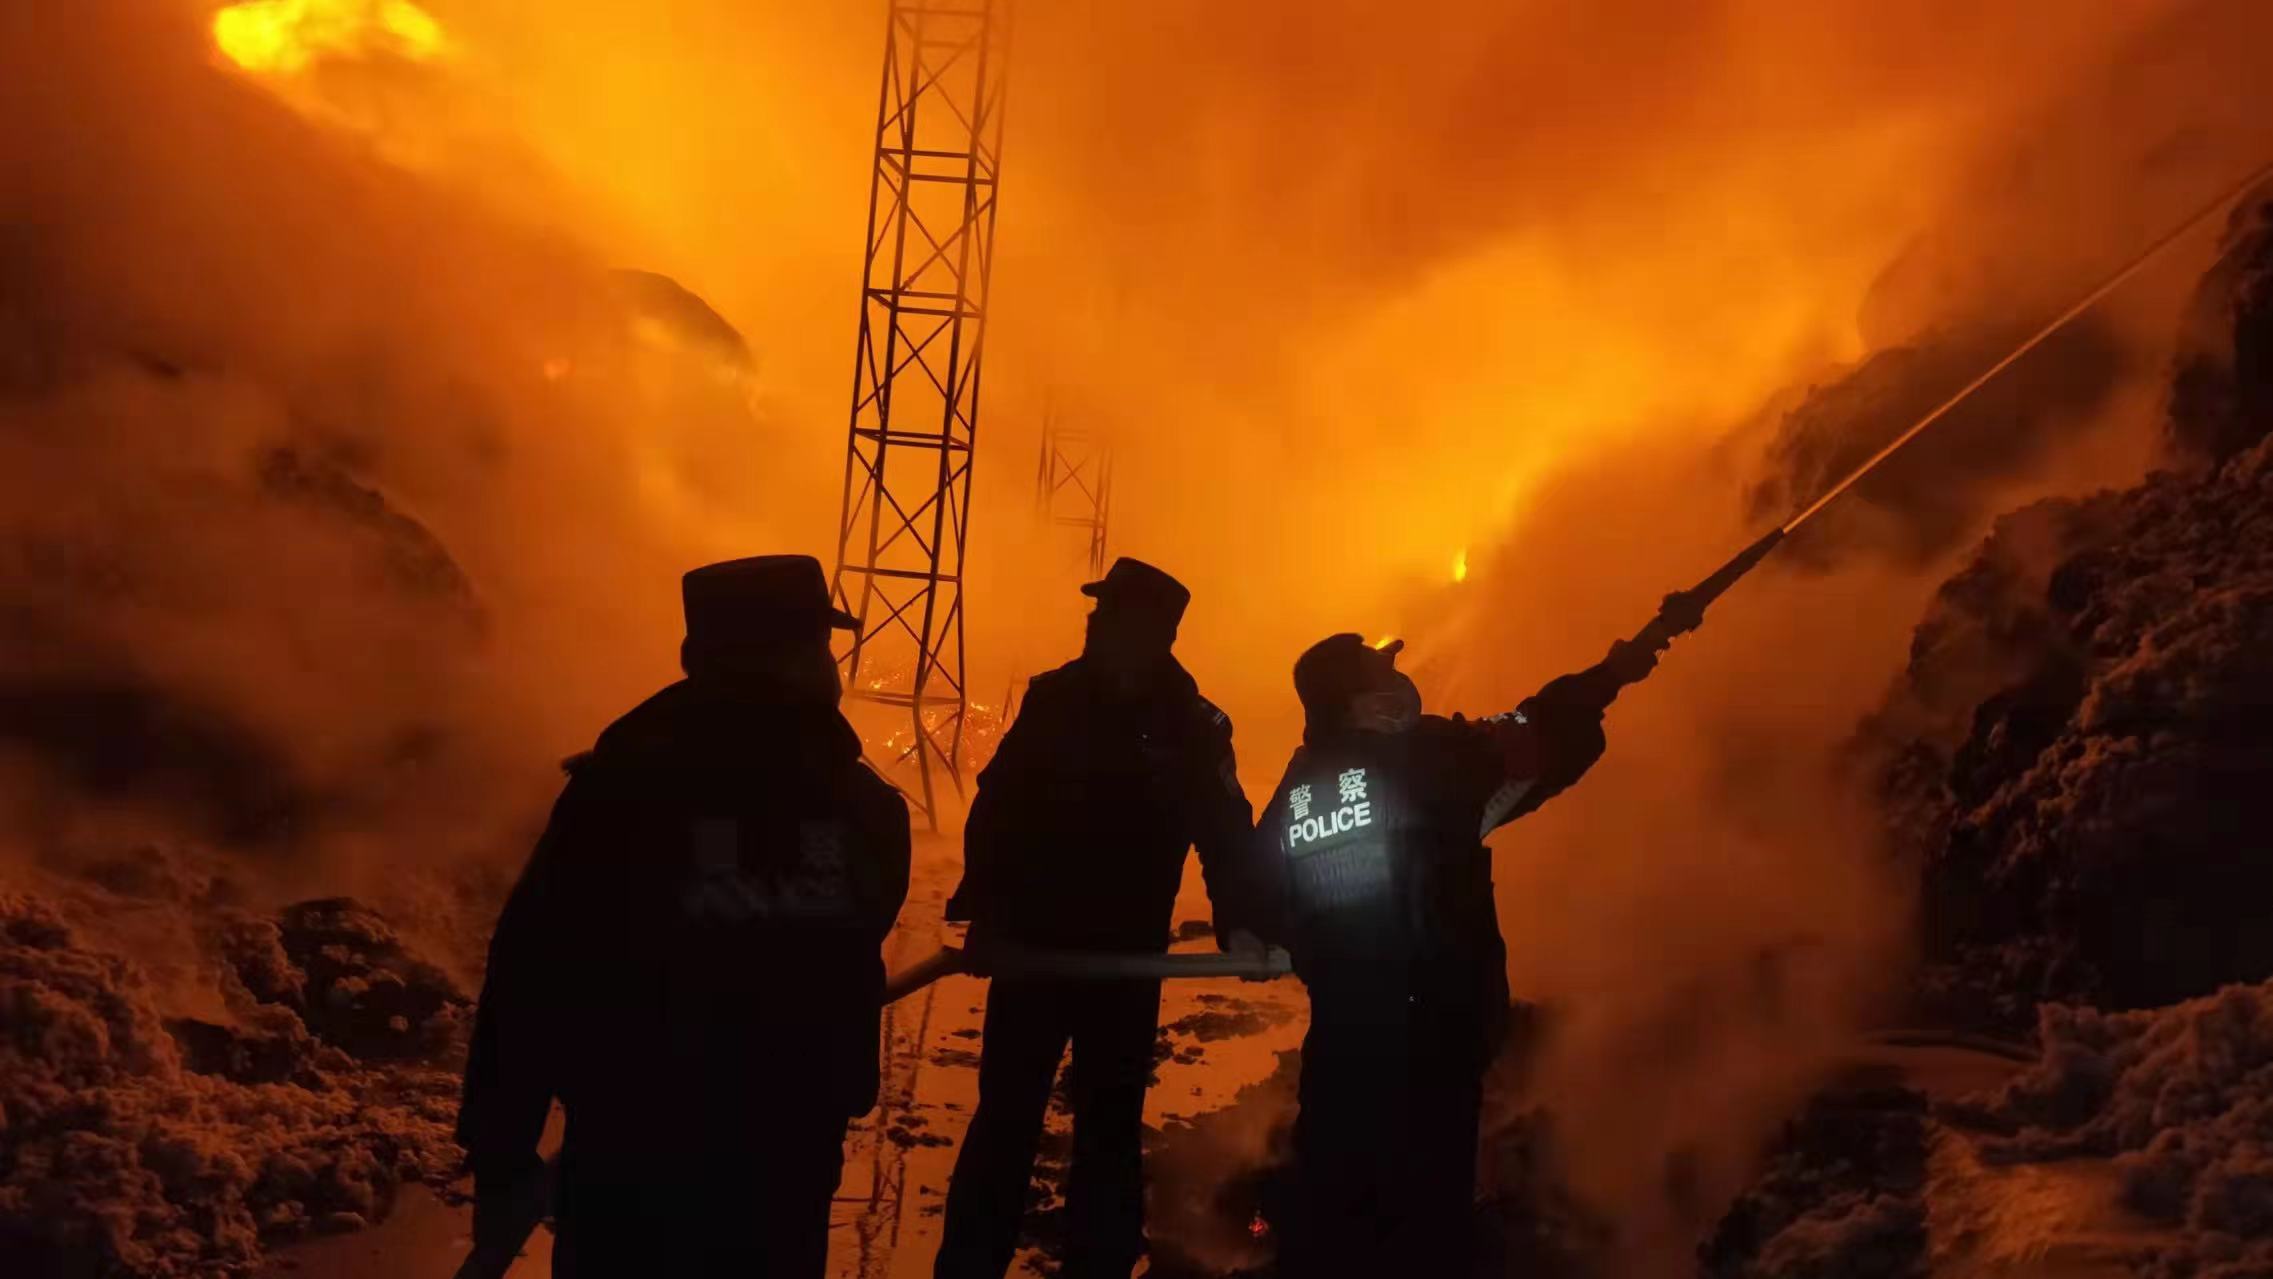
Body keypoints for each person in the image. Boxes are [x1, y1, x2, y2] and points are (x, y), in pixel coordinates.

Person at [457, 555, 910, 1278]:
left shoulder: (617, 792)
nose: (830, 664)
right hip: (779, 1162)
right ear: (796, 662)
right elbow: (850, 923)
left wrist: (501, 1152)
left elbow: (529, 974)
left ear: (695, 658)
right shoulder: (860, 810)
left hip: (628, 1156)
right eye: (818, 645)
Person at [1247, 629, 1665, 1277]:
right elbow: (1535, 738)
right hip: (1430, 1036)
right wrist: (1609, 674)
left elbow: (1262, 900)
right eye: (1380, 673)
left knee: (1329, 1218)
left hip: (1341, 1046)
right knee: (1426, 1227)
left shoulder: (1299, 787)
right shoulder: (1425, 760)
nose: (1397, 681)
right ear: (1362, 699)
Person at [934, 557, 1255, 1279]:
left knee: (1108, 1127)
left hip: (1124, 957)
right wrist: (985, 910)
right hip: (1033, 949)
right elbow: (999, 809)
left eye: (1108, 612)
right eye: (1098, 612)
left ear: (1150, 631)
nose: (1095, 622)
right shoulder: (1055, 699)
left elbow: (1225, 830)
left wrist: (1243, 921)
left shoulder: (1193, 727)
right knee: (1005, 1120)